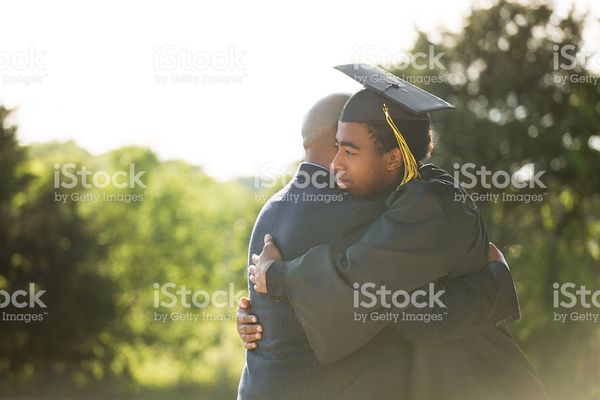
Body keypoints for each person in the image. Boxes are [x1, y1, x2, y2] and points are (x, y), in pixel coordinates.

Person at [248, 64, 548, 399]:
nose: (336, 165)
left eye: (349, 151)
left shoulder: (431, 203)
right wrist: (261, 311)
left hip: (481, 380)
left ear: (393, 159)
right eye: (336, 148)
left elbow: (397, 303)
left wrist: (278, 277)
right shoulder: (404, 198)